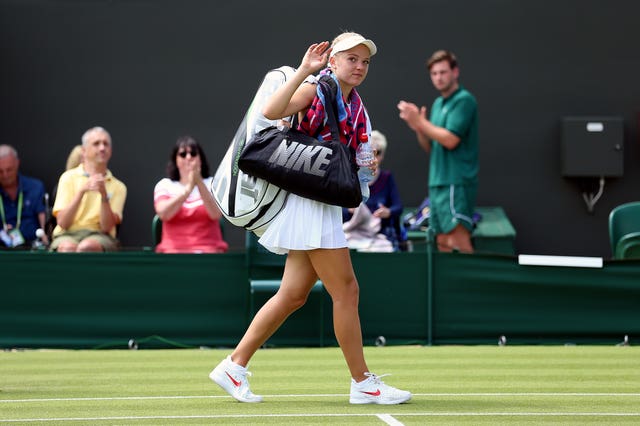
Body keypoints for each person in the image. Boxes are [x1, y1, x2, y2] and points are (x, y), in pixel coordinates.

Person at [209, 32, 411, 405]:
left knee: (292, 295)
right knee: (346, 291)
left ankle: (233, 366)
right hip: (309, 202)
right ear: (333, 60)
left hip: (320, 202)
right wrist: (304, 70)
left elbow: (357, 153)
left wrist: (363, 165)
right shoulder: (316, 87)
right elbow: (270, 112)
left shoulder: (356, 104)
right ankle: (363, 382)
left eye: (365, 61)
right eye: (352, 58)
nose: (360, 66)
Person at [397, 50, 478, 253]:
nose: (439, 78)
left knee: (458, 240)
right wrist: (419, 128)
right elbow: (431, 147)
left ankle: (471, 285)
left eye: (443, 72)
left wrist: (421, 122)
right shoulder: (438, 103)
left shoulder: (464, 100)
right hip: (437, 183)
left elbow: (450, 140)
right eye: (434, 74)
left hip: (456, 182)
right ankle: (450, 285)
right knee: (442, 241)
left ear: (455, 72)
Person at [49, 126, 127, 252]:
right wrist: (81, 191)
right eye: (96, 144)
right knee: (67, 247)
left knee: (88, 247)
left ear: (111, 151)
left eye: (106, 144)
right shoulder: (67, 178)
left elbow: (106, 227)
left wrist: (103, 195)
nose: (102, 148)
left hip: (100, 236)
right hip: (66, 235)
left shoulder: (119, 186)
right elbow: (63, 223)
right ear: (84, 151)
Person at [153, 136, 228, 254]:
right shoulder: (164, 185)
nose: (188, 157)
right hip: (172, 252)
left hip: (209, 252)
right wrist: (188, 189)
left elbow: (216, 214)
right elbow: (163, 214)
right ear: (175, 160)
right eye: (183, 154)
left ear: (200, 159)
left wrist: (199, 182)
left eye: (193, 153)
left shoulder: (213, 183)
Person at [342, 130, 406, 251]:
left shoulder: (387, 178)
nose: (374, 157)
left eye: (378, 152)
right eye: (370, 152)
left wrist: (387, 212)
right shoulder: (350, 177)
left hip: (380, 236)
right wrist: (350, 210)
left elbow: (398, 207)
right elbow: (337, 208)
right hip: (351, 233)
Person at [0, 144, 48, 249]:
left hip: (32, 246)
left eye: (9, 170)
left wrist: (44, 233)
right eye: (0, 171)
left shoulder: (35, 187)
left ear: (17, 163)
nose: (5, 175)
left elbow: (42, 214)